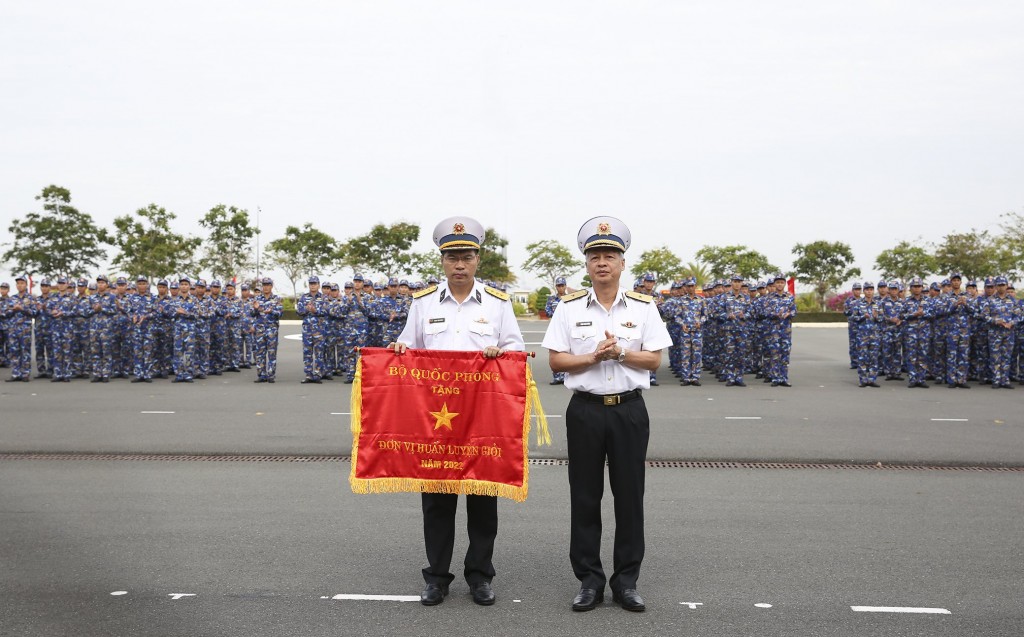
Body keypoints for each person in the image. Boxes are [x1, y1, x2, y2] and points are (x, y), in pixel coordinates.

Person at [388, 216, 524, 608]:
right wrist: (398, 349)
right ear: (442, 262)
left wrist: (501, 355)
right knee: (437, 500)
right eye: (452, 258)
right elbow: (406, 346)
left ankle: (480, 576)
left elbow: (515, 352)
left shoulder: (498, 304)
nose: (459, 264)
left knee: (483, 497)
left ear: (478, 259)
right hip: (435, 418)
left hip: (483, 417)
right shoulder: (423, 302)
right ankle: (436, 577)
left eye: (466, 256)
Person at [541, 216, 671, 613]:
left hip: (629, 410)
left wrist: (620, 353)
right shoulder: (568, 308)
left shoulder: (644, 308)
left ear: (622, 263)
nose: (602, 262)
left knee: (630, 497)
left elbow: (655, 361)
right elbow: (557, 361)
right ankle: (589, 581)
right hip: (585, 411)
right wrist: (593, 357)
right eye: (595, 255)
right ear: (586, 264)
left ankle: (626, 582)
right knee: (585, 497)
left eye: (610, 255)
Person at [251, 277, 282, 383]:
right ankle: (261, 374)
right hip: (260, 330)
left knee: (272, 353)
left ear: (271, 286)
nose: (266, 287)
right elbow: (252, 314)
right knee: (260, 353)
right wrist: (255, 308)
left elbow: (280, 314)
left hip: (272, 330)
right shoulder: (257, 299)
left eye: (268, 285)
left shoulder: (277, 299)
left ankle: (271, 374)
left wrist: (272, 311)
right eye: (264, 285)